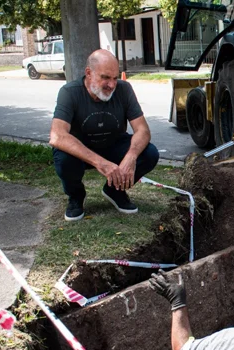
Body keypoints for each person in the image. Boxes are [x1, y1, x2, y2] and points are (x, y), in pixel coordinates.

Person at [49, 49, 159, 221]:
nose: (112, 84)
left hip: (113, 145)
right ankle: (76, 197)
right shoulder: (70, 92)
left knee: (149, 153)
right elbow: (57, 136)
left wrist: (130, 157)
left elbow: (143, 130)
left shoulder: (124, 89)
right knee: (64, 159)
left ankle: (115, 191)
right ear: (88, 74)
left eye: (115, 78)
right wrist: (101, 164)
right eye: (105, 78)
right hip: (82, 150)